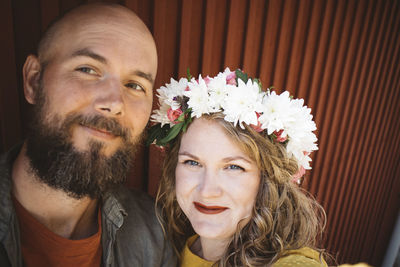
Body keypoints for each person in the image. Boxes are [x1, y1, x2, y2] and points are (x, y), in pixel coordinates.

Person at [0, 3, 176, 267]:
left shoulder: (157, 234)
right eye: (88, 69)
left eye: (135, 85)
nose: (115, 103)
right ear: (34, 81)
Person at [148, 68, 328, 266]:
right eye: (192, 162)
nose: (207, 191)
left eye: (234, 167)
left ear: (267, 179)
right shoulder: (169, 249)